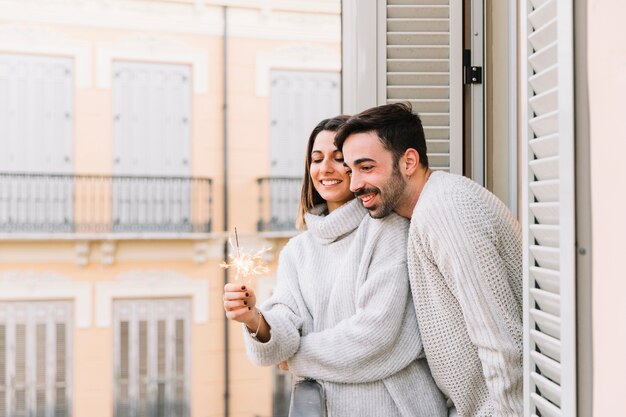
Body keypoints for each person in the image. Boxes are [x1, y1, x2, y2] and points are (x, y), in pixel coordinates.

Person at [223, 116, 447, 417]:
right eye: (316, 159)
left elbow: (377, 337)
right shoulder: (298, 251)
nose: (325, 168)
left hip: (397, 406)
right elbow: (284, 326)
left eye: (338, 159)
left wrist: (297, 357)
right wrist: (254, 320)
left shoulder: (389, 230)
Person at [336, 103, 523, 417]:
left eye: (366, 168)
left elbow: (501, 341)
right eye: (350, 170)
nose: (354, 184)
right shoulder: (427, 209)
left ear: (409, 161)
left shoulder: (445, 212)